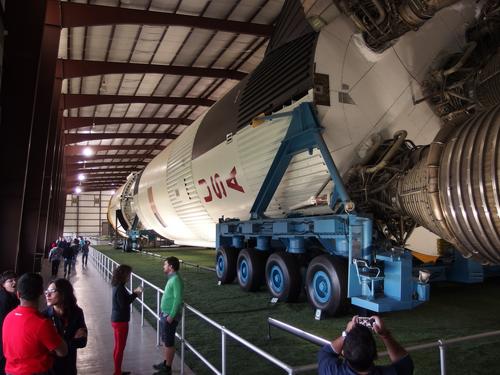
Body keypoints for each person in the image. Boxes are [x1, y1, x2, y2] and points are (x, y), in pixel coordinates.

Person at [2, 273, 67, 375]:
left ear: (18, 294)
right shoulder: (42, 323)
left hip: (10, 371)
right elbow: (63, 351)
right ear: (41, 292)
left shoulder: (8, 317)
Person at [318, 315, 414, 375]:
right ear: (375, 355)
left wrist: (346, 333)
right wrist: (385, 335)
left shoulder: (329, 371)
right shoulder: (394, 373)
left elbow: (327, 352)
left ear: (343, 353)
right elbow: (404, 362)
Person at [43, 278, 88, 375]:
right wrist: (71, 341)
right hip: (50, 369)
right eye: (46, 291)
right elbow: (43, 348)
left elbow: (82, 342)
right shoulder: (44, 316)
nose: (47, 294)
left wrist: (56, 346)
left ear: (63, 293)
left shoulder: (76, 313)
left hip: (69, 367)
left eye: (52, 291)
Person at [153, 257, 184, 375]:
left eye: (165, 265)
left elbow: (178, 299)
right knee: (166, 340)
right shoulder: (172, 278)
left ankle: (168, 369)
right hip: (165, 314)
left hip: (169, 316)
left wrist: (171, 315)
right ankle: (166, 363)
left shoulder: (176, 279)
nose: (163, 267)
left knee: (169, 342)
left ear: (171, 267)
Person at [111, 265, 143, 375]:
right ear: (123, 275)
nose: (129, 277)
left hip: (117, 320)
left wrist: (133, 294)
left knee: (118, 347)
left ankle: (118, 370)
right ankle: (117, 372)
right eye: (128, 274)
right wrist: (135, 294)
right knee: (120, 348)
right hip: (120, 322)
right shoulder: (119, 288)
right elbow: (123, 304)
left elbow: (122, 302)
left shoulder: (117, 286)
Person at [0, 271, 19, 375]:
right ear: (3, 284)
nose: (14, 282)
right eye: (10, 281)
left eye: (15, 280)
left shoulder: (12, 297)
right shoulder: (4, 299)